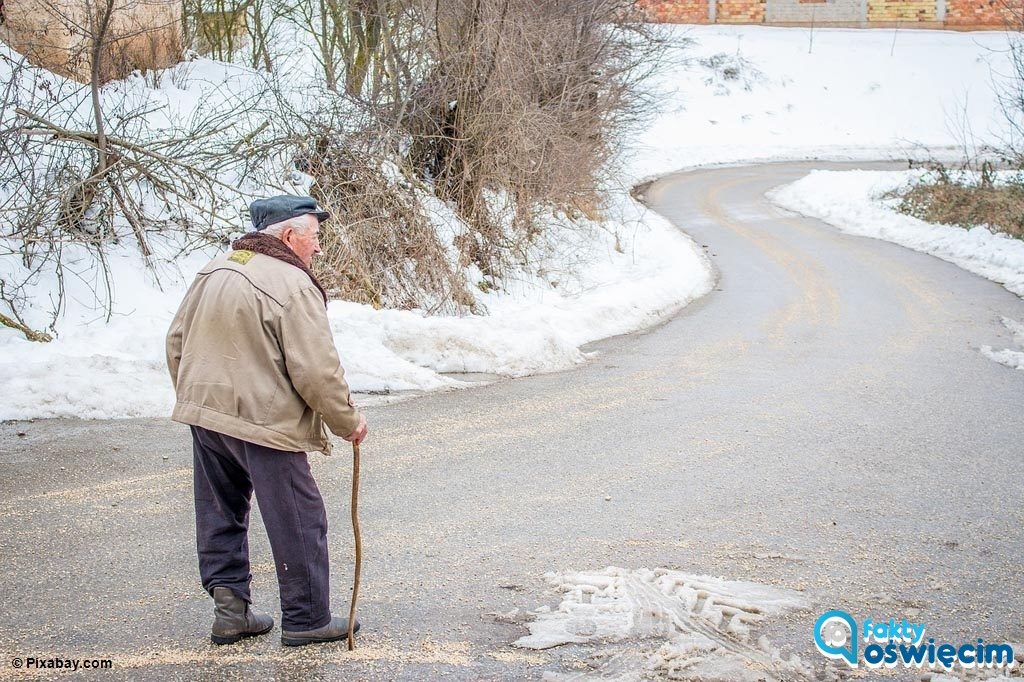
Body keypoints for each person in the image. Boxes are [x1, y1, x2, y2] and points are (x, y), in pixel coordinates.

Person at [166, 195, 368, 647]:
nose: (318, 249)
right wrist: (346, 421)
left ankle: (231, 612)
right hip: (263, 420)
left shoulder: (214, 269)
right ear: (290, 235)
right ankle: (308, 618)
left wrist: (195, 395)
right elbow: (317, 370)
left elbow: (176, 340)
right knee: (299, 517)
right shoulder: (293, 284)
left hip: (206, 412)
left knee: (221, 511)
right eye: (315, 237)